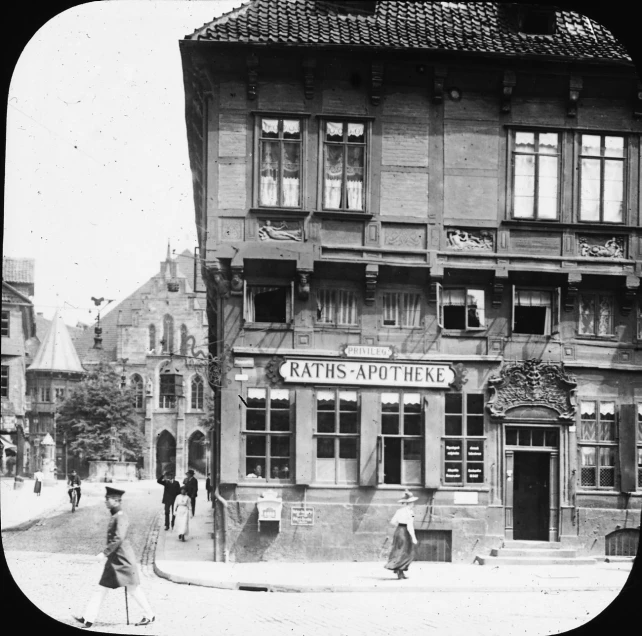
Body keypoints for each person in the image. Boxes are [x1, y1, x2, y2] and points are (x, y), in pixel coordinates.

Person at [73, 486, 155, 629]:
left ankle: (149, 615)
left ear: (116, 501)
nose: (105, 501)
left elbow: (119, 538)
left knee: (133, 589)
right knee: (101, 589)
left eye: (108, 499)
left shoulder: (121, 516)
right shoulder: (116, 515)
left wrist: (104, 552)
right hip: (115, 561)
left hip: (123, 561)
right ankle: (88, 618)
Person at [384, 490, 418, 580]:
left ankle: (400, 572)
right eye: (412, 503)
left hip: (398, 531)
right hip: (405, 532)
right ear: (409, 503)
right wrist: (414, 537)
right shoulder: (410, 512)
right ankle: (400, 571)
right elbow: (410, 526)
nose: (413, 504)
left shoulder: (399, 511)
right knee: (406, 552)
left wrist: (399, 526)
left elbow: (392, 522)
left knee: (399, 551)